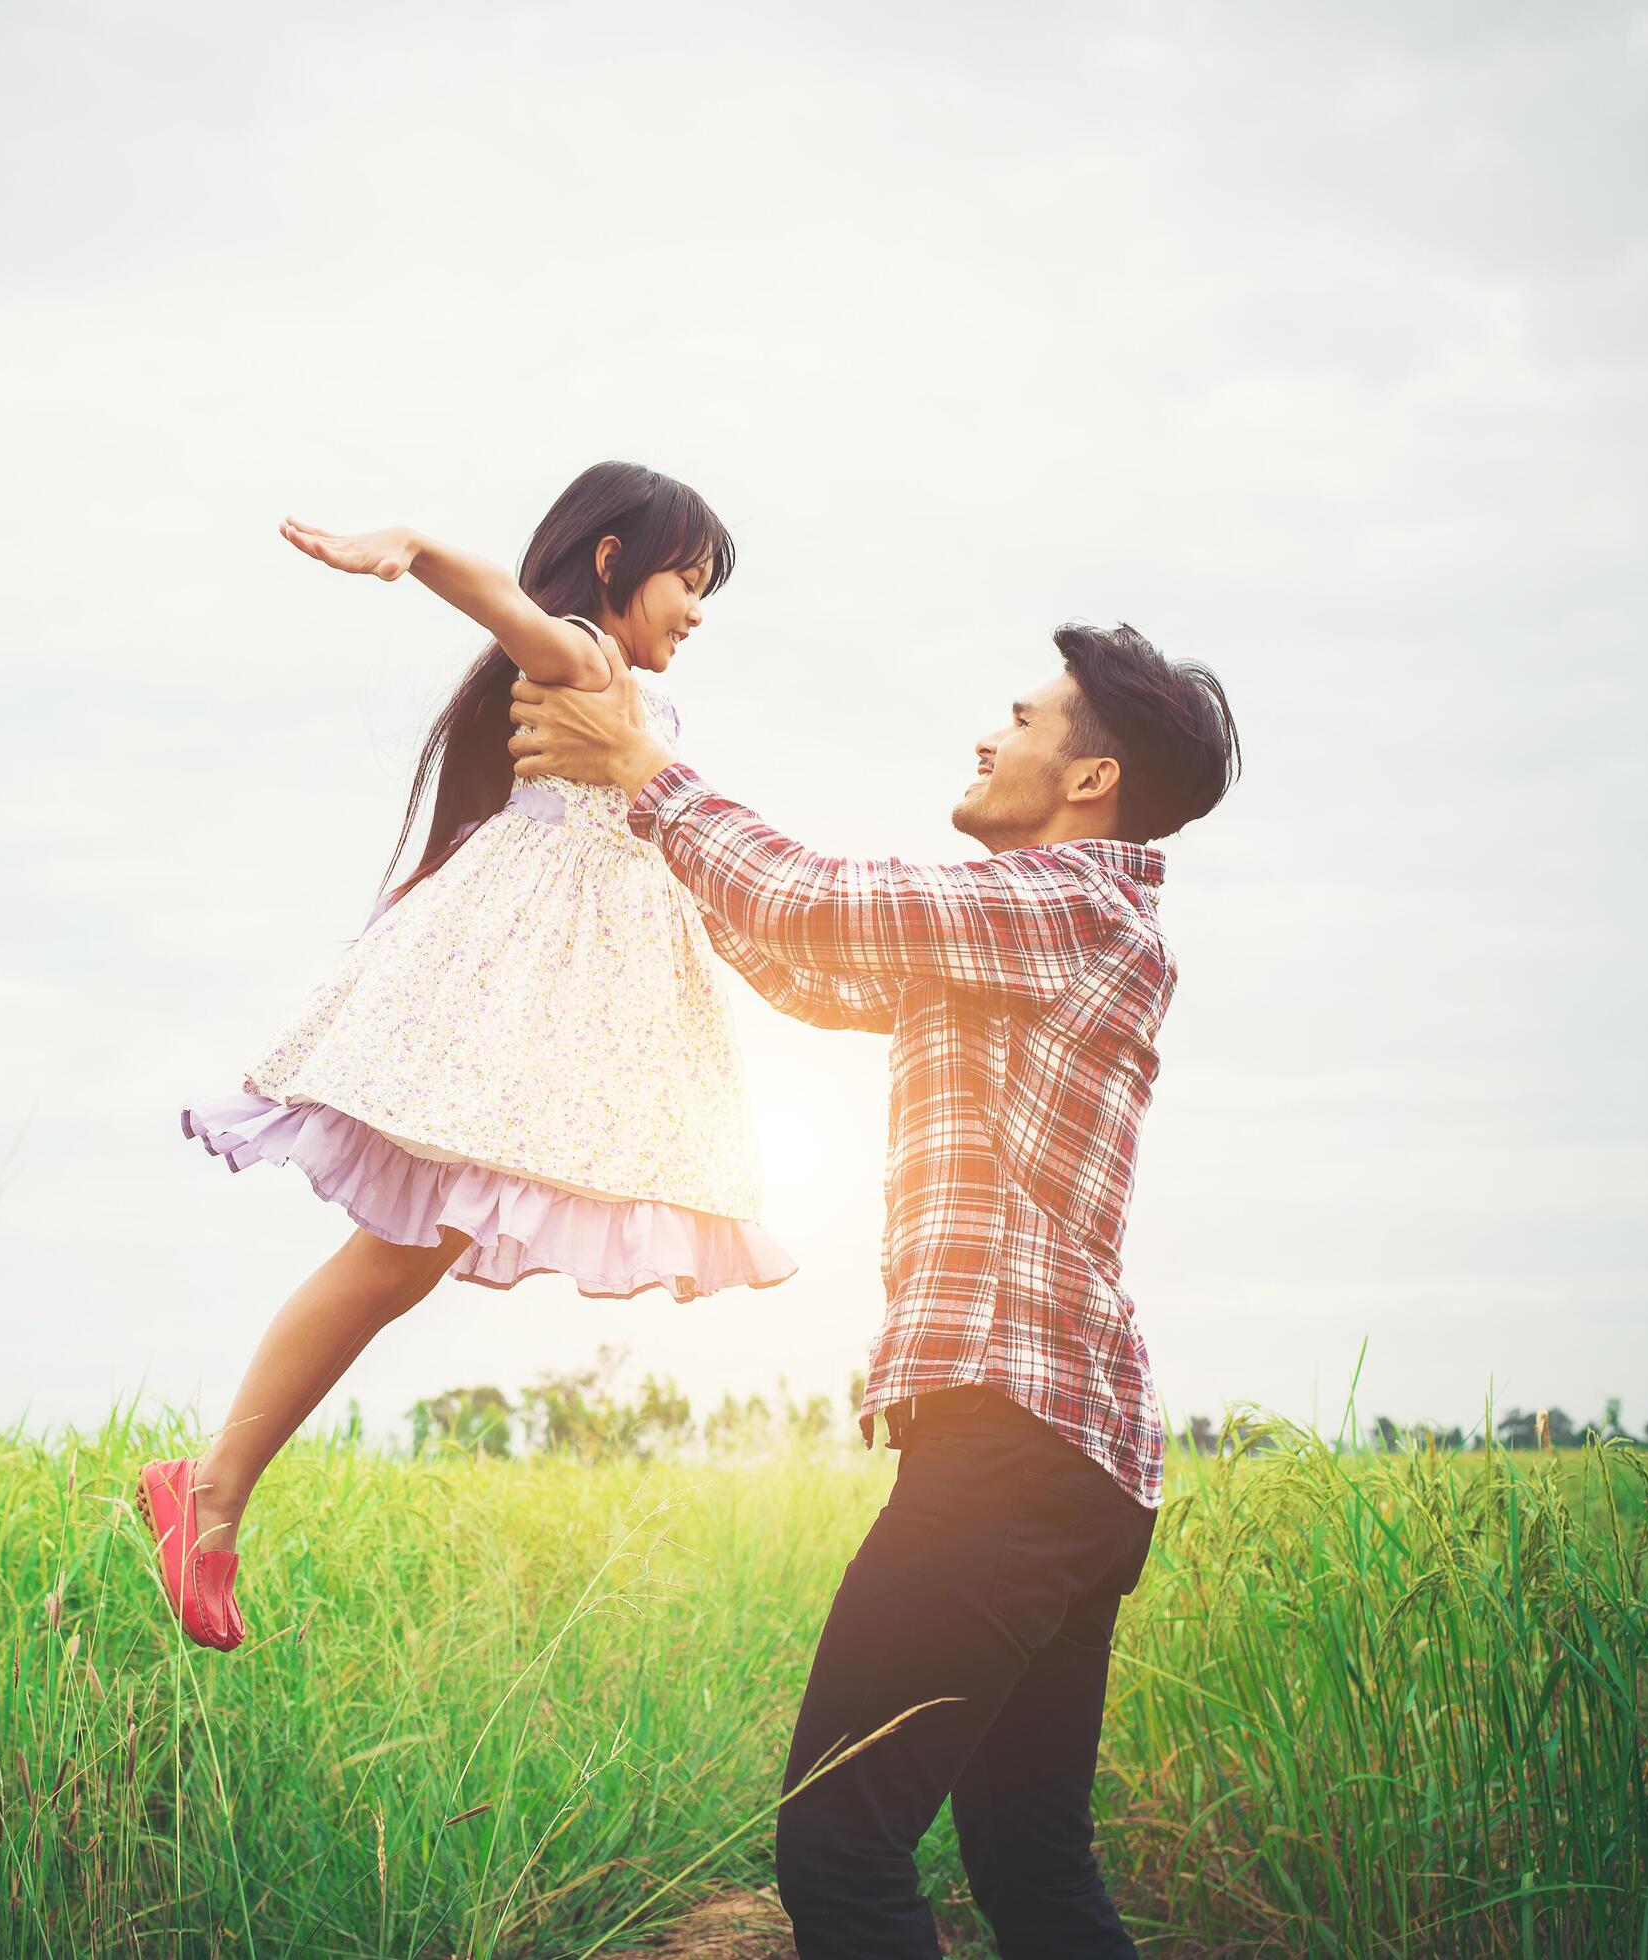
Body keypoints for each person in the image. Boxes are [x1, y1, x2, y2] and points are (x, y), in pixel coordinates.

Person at [507, 623, 1239, 1959]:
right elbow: (801, 962)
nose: (985, 736)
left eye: (1019, 718)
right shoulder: (1021, 932)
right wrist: (628, 810)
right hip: (1066, 1451)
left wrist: (646, 764)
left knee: (838, 1849)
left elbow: (811, 901)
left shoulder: (1070, 903)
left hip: (1015, 1446)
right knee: (1031, 1868)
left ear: (1089, 778)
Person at [140, 462, 795, 1652]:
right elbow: (511, 605)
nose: (697, 610)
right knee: (397, 1260)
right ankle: (214, 1493)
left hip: (538, 1016)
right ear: (611, 562)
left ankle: (213, 1492)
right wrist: (418, 549)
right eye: (686, 581)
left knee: (400, 1262)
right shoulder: (586, 659)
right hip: (505, 997)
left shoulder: (624, 698)